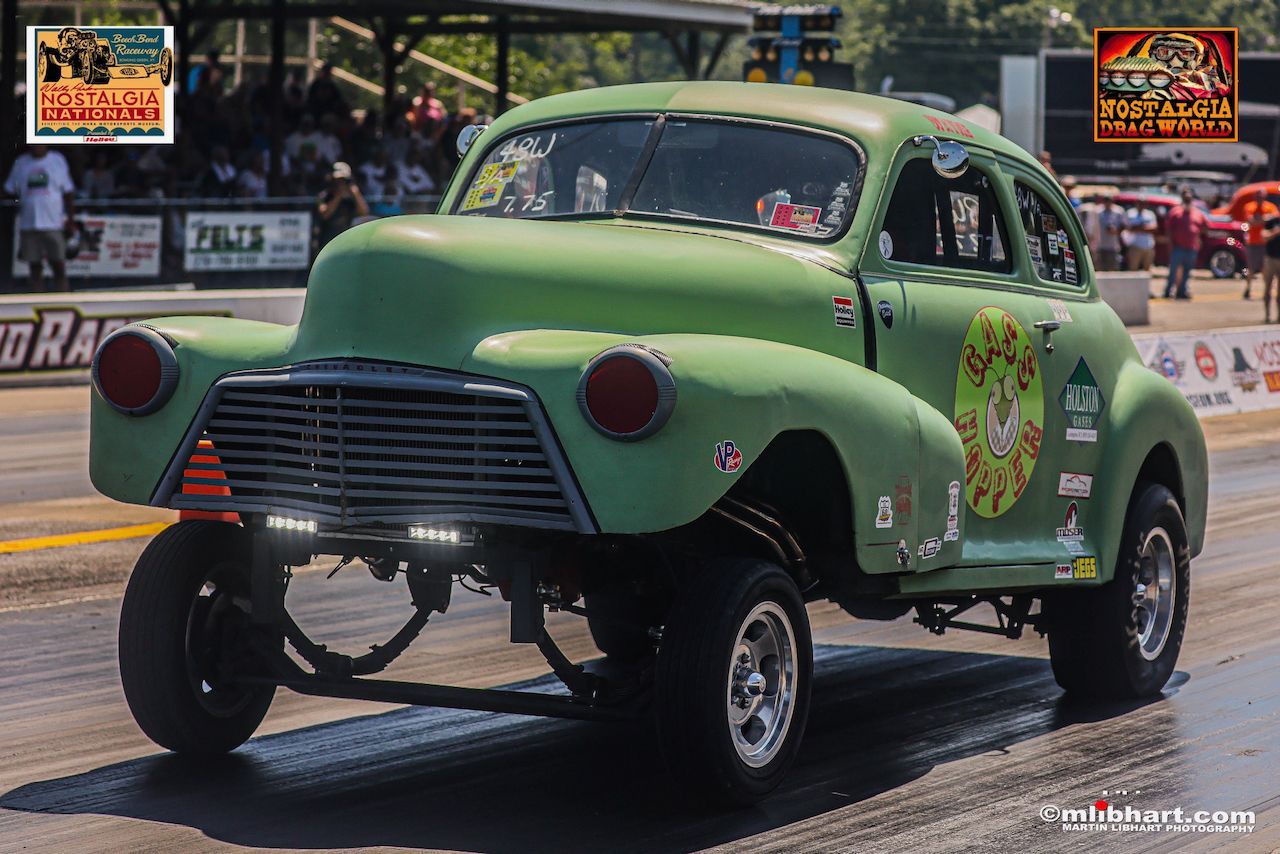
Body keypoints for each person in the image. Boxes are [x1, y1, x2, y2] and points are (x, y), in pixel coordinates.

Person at [3, 145, 76, 292]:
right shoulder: (21, 162)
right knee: (34, 267)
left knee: (58, 265)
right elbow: (9, 189)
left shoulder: (57, 160)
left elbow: (68, 192)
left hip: (53, 223)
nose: (37, 146)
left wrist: (70, 219)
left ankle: (64, 300)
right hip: (29, 224)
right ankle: (38, 301)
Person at [1164, 188, 1208, 300]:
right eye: (1186, 197)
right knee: (1173, 271)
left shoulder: (1198, 213)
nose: (1187, 199)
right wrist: (1170, 244)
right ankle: (1168, 291)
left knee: (1187, 271)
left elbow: (1204, 227)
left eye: (1189, 197)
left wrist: (1198, 237)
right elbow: (1168, 229)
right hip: (1178, 247)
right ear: (1182, 198)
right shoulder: (1175, 212)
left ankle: (1182, 291)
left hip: (1192, 247)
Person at [316, 162, 368, 249]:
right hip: (327, 242)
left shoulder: (351, 197)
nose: (340, 183)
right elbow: (325, 215)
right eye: (337, 180)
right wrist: (338, 195)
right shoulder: (324, 196)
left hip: (346, 241)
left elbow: (364, 212)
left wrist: (356, 193)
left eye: (343, 180)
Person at [1240, 189, 1278, 300]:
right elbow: (1251, 221)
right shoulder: (1249, 207)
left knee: (1265, 269)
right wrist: (1265, 219)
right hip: (1253, 242)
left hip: (1267, 244)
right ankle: (1248, 288)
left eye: (1261, 197)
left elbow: (1275, 220)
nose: (1259, 199)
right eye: (1257, 197)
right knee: (1251, 268)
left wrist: (1260, 220)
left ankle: (1267, 290)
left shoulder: (1270, 207)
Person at [1093, 195, 1125, 271]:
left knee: (1113, 268)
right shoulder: (1097, 211)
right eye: (1105, 200)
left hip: (1113, 246)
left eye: (1109, 200)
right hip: (1099, 245)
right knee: (1099, 269)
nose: (1107, 202)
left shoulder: (1119, 211)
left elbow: (1124, 226)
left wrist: (1116, 231)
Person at [1125, 198, 1158, 271]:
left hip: (1148, 245)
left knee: (1147, 269)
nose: (1141, 205)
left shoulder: (1150, 214)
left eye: (1143, 203)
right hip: (1135, 245)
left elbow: (1154, 228)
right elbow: (1128, 228)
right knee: (1133, 269)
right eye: (1140, 203)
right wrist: (1144, 228)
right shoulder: (1130, 213)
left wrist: (1139, 228)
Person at [1263, 212, 1280, 322]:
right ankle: (1267, 315)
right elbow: (1264, 236)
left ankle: (1279, 316)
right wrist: (1275, 232)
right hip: (1270, 258)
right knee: (1268, 287)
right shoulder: (1272, 221)